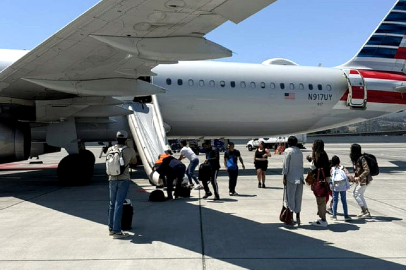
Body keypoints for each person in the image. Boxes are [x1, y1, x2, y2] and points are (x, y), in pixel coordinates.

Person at [108, 130, 137, 238]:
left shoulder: (110, 149)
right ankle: (117, 231)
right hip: (123, 178)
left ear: (116, 139)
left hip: (111, 178)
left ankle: (111, 228)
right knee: (119, 204)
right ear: (126, 139)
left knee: (112, 204)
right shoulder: (129, 150)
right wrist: (129, 146)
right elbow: (134, 162)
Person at [307, 140, 330, 227]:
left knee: (321, 200)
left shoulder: (319, 154)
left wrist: (312, 161)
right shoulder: (322, 154)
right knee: (320, 199)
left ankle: (323, 220)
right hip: (322, 178)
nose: (312, 145)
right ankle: (322, 218)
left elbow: (317, 166)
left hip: (320, 179)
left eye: (313, 144)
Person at [282, 136, 304, 225]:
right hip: (300, 177)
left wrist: (284, 175)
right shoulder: (299, 151)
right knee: (298, 197)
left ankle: (289, 218)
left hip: (291, 177)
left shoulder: (288, 151)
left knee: (289, 198)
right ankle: (298, 217)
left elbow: (285, 165)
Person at [350, 143, 373, 219]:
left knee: (356, 194)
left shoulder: (361, 159)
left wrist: (359, 177)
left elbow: (367, 170)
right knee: (359, 194)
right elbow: (359, 170)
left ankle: (364, 211)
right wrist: (355, 176)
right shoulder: (357, 159)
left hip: (364, 180)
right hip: (362, 180)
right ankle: (365, 211)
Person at [330, 155, 352, 221]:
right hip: (343, 186)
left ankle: (334, 216)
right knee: (344, 201)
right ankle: (346, 216)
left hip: (335, 186)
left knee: (335, 200)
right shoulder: (342, 167)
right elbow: (347, 174)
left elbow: (331, 177)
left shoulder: (332, 169)